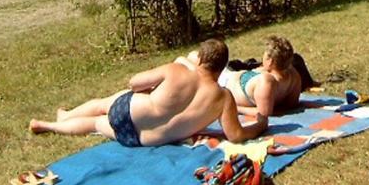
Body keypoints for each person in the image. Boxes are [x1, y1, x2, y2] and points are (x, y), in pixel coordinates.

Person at [28, 39, 267, 147]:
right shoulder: (223, 97)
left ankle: (58, 120)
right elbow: (235, 135)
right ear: (222, 66)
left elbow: (134, 83)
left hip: (131, 112)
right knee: (97, 124)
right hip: (143, 140)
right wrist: (259, 125)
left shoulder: (177, 70)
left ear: (201, 58)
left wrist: (154, 89)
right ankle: (50, 124)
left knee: (104, 104)